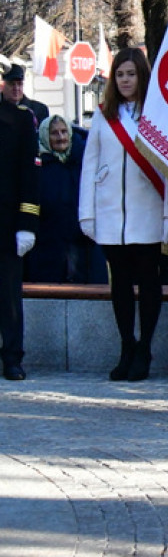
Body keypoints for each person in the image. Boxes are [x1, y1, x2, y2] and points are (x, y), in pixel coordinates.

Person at [79, 48, 168, 381]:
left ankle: (145, 348)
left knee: (149, 281)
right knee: (120, 284)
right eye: (120, 74)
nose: (125, 80)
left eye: (131, 74)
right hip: (110, 214)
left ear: (142, 76)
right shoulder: (102, 114)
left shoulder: (158, 114)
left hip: (148, 212)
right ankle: (127, 345)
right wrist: (87, 213)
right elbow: (90, 164)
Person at [25, 116, 106, 284]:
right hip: (47, 244)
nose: (60, 137)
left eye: (63, 132)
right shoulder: (36, 164)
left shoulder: (85, 159)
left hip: (85, 244)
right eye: (54, 133)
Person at [0, 86, 39, 380]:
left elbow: (30, 173)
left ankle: (12, 357)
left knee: (9, 297)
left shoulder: (19, 118)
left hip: (6, 223)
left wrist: (27, 223)